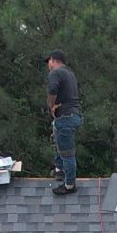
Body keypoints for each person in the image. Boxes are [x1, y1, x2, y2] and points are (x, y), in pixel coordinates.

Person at [45, 50, 82, 195]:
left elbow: (52, 89)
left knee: (67, 153)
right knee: (57, 137)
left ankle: (69, 185)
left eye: (49, 61)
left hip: (65, 117)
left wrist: (52, 106)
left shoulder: (55, 72)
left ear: (53, 60)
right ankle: (59, 170)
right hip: (74, 115)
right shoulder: (70, 74)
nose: (48, 65)